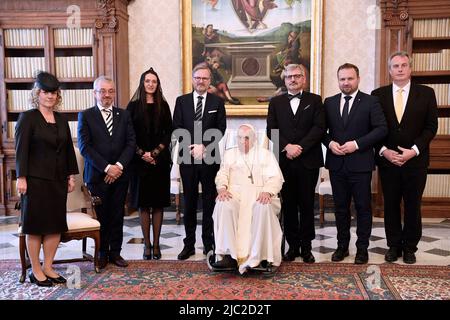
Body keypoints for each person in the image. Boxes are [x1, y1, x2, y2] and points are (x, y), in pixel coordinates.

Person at [371, 51, 438, 264]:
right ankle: (393, 245)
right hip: (388, 161)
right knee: (390, 205)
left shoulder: (426, 93)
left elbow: (431, 127)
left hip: (415, 161)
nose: (400, 69)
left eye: (403, 65)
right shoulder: (377, 95)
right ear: (389, 70)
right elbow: (372, 128)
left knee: (412, 205)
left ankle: (410, 247)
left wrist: (414, 150)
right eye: (395, 66)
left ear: (410, 68)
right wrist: (384, 151)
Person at [15, 71, 78, 286]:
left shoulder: (61, 119)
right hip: (35, 182)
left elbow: (68, 149)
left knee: (54, 226)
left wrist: (70, 175)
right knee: (35, 227)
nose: (50, 96)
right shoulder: (28, 118)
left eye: (53, 93)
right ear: (37, 93)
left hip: (57, 181)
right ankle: (35, 270)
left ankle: (48, 267)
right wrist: (21, 177)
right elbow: (20, 150)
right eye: (45, 92)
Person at [323, 63, 387, 264]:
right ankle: (342, 247)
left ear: (358, 79)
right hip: (337, 164)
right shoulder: (329, 102)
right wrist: (330, 143)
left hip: (361, 164)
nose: (346, 82)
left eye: (350, 78)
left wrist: (356, 144)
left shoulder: (371, 101)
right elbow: (321, 131)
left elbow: (381, 129)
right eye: (342, 79)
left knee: (362, 208)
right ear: (338, 80)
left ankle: (362, 249)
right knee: (340, 208)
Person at [266, 63, 326, 263]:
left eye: (297, 76)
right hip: (284, 162)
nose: (293, 79)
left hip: (308, 160)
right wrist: (287, 147)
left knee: (308, 204)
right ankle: (292, 246)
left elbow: (319, 128)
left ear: (304, 79)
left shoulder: (315, 100)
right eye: (289, 76)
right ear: (284, 80)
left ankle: (307, 247)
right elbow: (271, 130)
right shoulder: (276, 102)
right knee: (289, 205)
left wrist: (300, 147)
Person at [78, 76, 136, 269]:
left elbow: (130, 143)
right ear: (95, 93)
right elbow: (85, 147)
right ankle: (101, 253)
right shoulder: (86, 116)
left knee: (117, 214)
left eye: (110, 91)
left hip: (120, 175)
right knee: (102, 216)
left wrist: (118, 166)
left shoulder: (124, 115)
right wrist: (106, 168)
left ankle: (115, 253)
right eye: (102, 91)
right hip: (97, 176)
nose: (107, 95)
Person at [212, 124, 284, 274]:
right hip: (235, 195)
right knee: (223, 204)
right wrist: (222, 188)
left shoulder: (265, 155)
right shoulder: (229, 154)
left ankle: (261, 256)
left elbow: (276, 178)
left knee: (262, 207)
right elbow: (222, 174)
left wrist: (267, 192)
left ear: (254, 139)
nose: (242, 142)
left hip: (259, 194)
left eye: (246, 138)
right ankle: (228, 256)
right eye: (239, 138)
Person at [173, 63, 226, 260]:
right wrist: (192, 147)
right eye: (197, 78)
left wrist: (204, 146)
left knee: (209, 203)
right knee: (189, 203)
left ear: (209, 81)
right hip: (187, 158)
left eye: (204, 78)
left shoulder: (217, 102)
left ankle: (208, 243)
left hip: (210, 158)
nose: (201, 81)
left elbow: (221, 128)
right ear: (192, 79)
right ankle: (188, 245)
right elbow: (177, 127)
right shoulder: (181, 101)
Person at [127, 67, 173, 260]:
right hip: (139, 162)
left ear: (158, 84)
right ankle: (147, 245)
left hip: (160, 161)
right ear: (142, 83)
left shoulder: (164, 105)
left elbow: (169, 132)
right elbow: (129, 133)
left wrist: (154, 152)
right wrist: (141, 153)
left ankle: (157, 245)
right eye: (147, 81)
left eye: (154, 81)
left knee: (158, 204)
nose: (151, 84)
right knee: (143, 205)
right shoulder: (133, 106)